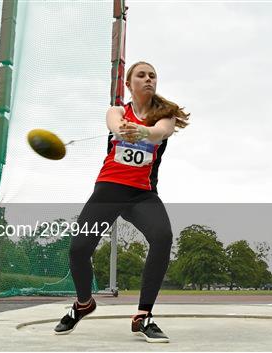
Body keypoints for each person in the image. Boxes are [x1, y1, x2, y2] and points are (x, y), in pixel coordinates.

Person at [53, 61, 189, 343]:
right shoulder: (117, 111)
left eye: (153, 75)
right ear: (129, 84)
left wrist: (143, 132)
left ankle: (143, 316)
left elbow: (160, 132)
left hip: (142, 194)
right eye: (141, 75)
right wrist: (124, 129)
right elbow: (115, 126)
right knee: (79, 249)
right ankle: (83, 304)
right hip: (109, 191)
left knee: (162, 237)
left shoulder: (166, 116)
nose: (148, 79)